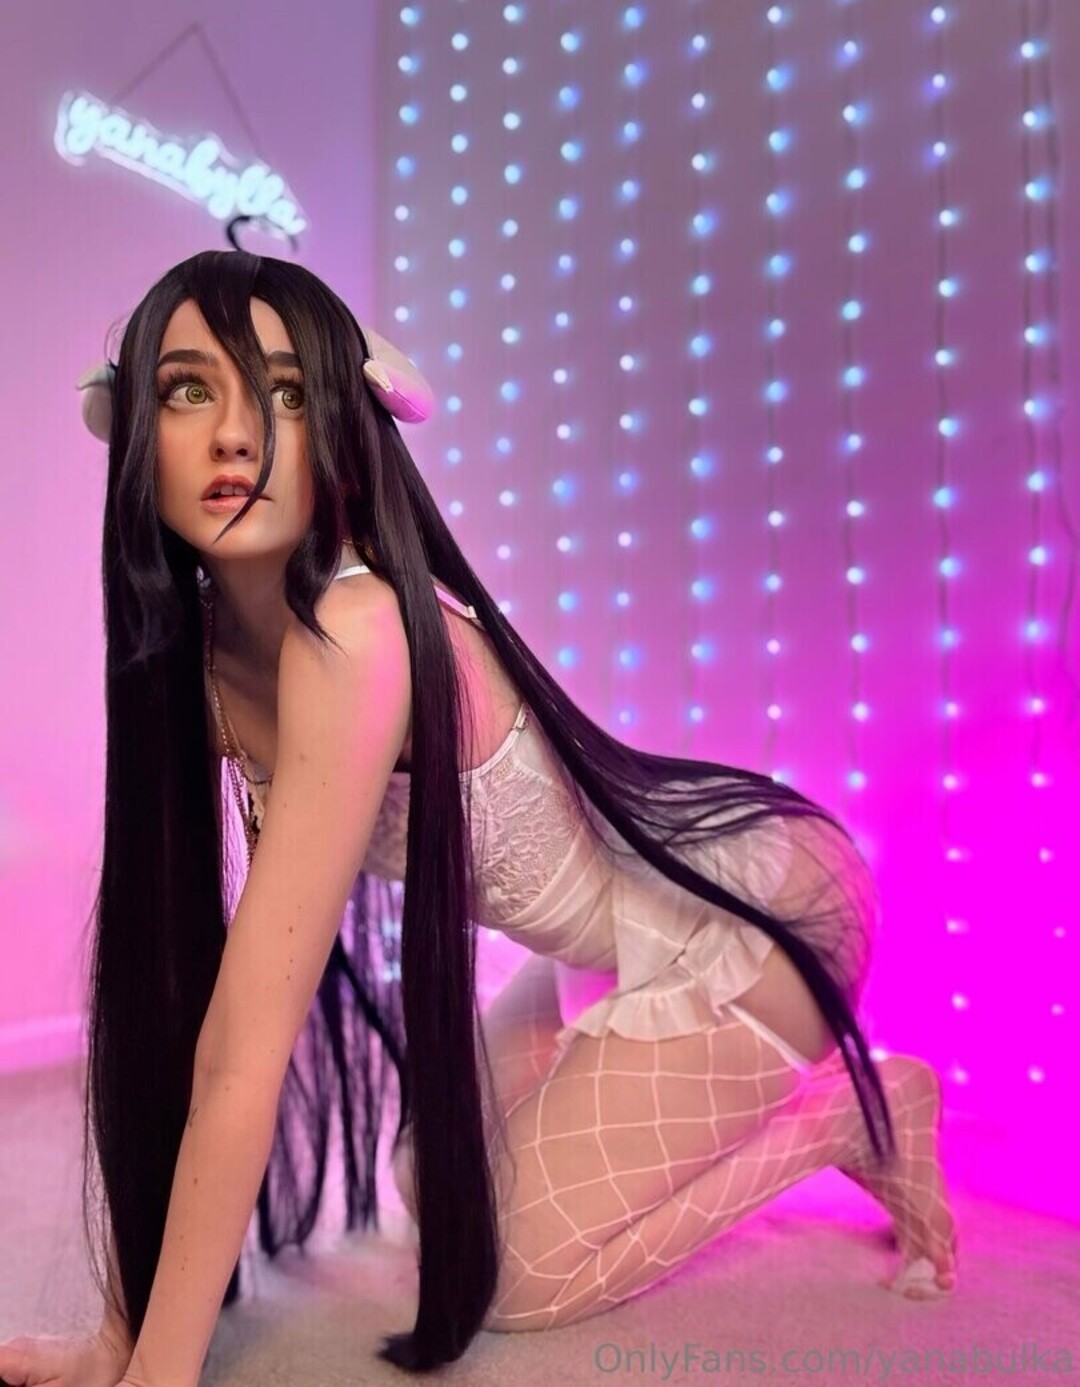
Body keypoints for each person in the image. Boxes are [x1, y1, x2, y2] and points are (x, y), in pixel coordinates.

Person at [0, 250, 956, 1387]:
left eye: (289, 392)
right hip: (609, 950)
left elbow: (241, 1055)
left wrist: (157, 1380)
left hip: (759, 910)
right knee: (431, 1178)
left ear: (345, 428)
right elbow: (175, 1017)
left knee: (519, 1272)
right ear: (134, 434)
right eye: (190, 388)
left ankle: (855, 1114)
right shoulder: (201, 656)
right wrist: (118, 1340)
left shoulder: (358, 633)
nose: (238, 435)